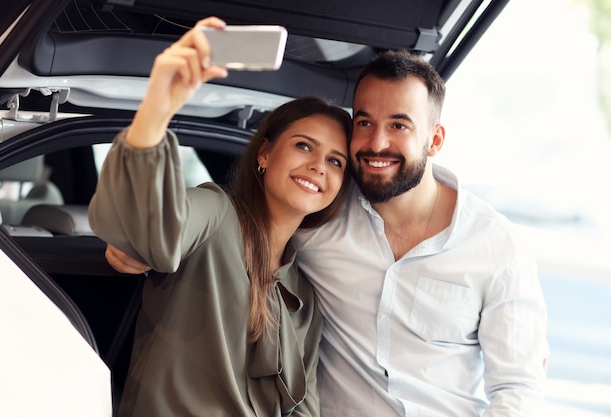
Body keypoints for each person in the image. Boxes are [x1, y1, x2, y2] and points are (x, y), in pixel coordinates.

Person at [105, 49, 549, 416]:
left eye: (399, 125)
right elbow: (164, 225)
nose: (376, 144)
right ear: (264, 153)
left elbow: (519, 389)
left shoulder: (496, 246)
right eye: (364, 122)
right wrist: (138, 232)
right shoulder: (270, 214)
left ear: (434, 140)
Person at [88, 16, 352, 417]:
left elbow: (304, 408)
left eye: (336, 161)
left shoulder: (304, 298)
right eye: (304, 146)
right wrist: (158, 105)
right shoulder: (215, 212)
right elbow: (145, 229)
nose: (319, 166)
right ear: (264, 153)